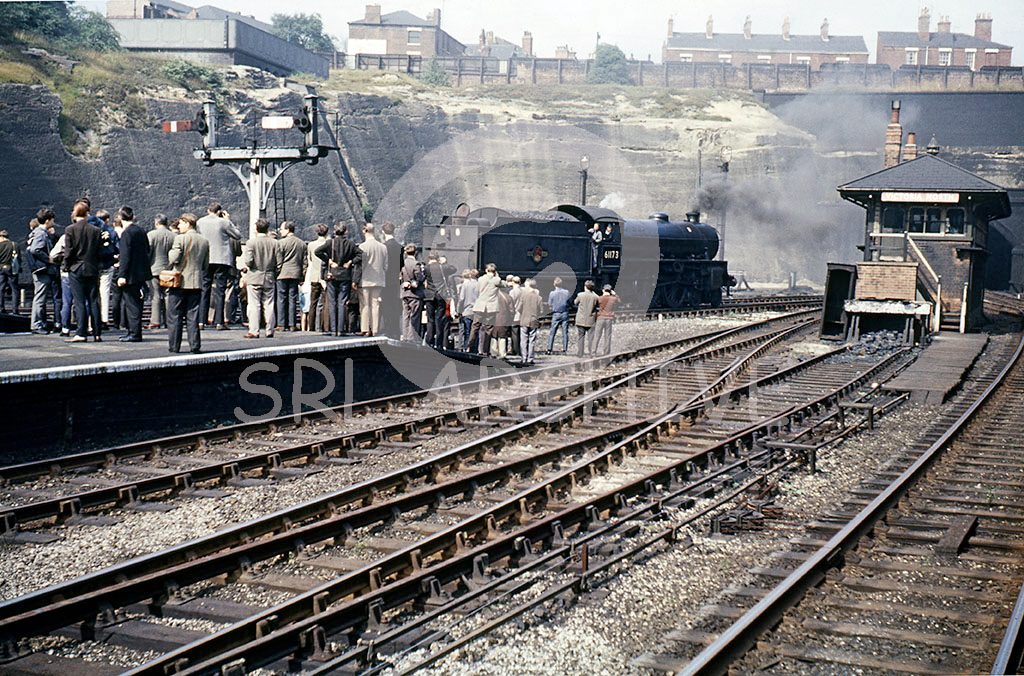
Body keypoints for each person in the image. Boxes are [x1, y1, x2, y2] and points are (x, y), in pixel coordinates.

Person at [166, 213, 210, 353]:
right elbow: (205, 265)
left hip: (180, 282)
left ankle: (174, 346)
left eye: (180, 223)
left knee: (175, 315)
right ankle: (194, 345)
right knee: (193, 316)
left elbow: (174, 258)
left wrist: (171, 253)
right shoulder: (204, 241)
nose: (178, 226)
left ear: (186, 223)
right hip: (196, 282)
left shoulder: (180, 239)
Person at [196, 202, 241, 330]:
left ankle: (201, 321)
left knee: (205, 289)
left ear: (207, 210)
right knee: (221, 291)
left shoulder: (200, 222)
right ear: (219, 212)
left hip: (206, 258)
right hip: (222, 259)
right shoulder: (224, 223)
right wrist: (228, 220)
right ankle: (219, 322)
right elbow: (237, 235)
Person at [63, 202, 103, 342]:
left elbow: (69, 252)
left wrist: (65, 266)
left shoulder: (70, 229)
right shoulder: (96, 230)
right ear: (87, 213)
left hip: (76, 268)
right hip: (92, 268)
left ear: (75, 213)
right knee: (94, 301)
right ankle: (97, 332)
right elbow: (99, 251)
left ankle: (81, 332)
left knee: (79, 301)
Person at [315, 223, 360, 336]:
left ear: (335, 232)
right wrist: (350, 262)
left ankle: (333, 328)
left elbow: (317, 251)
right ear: (346, 232)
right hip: (345, 275)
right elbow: (361, 255)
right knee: (342, 302)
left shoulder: (330, 242)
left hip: (332, 274)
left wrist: (328, 260)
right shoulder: (350, 244)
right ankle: (341, 329)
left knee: (332, 302)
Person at [242, 218, 282, 339]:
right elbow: (279, 263)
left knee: (254, 304)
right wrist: (274, 274)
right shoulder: (275, 243)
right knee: (269, 304)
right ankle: (270, 330)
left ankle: (254, 330)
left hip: (254, 276)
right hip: (269, 276)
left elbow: (248, 261)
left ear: (256, 229)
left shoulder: (251, 243)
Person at [115, 206, 151, 342]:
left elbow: (125, 256)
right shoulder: (141, 231)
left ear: (120, 218)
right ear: (133, 217)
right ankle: (135, 331)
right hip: (141, 273)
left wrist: (122, 275)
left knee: (131, 305)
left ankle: (134, 333)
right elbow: (147, 249)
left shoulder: (126, 233)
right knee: (137, 303)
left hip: (130, 274)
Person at [28, 208, 59, 333]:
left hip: (38, 270)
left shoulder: (36, 232)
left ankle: (40, 323)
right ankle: (36, 325)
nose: (53, 223)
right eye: (52, 220)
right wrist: (48, 259)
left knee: (40, 296)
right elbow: (35, 249)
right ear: (47, 221)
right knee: (40, 298)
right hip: (42, 270)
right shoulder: (41, 233)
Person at [355, 223, 388, 336]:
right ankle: (375, 329)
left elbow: (359, 266)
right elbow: (385, 266)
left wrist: (355, 281)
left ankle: (365, 329)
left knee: (365, 305)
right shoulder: (383, 247)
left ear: (365, 231)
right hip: (378, 279)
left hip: (364, 280)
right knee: (375, 305)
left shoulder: (362, 247)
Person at [275, 221, 307, 331]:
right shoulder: (301, 243)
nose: (280, 231)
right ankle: (292, 323)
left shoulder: (281, 243)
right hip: (296, 273)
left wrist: (277, 271)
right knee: (293, 298)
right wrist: (302, 275)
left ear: (288, 230)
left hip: (282, 273)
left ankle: (281, 323)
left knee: (281, 298)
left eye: (282, 229)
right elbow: (304, 261)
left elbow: (278, 260)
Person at [147, 214, 175, 328]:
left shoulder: (151, 235)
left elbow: (148, 252)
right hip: (169, 269)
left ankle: (156, 321)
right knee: (168, 295)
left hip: (154, 269)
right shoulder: (173, 236)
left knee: (156, 295)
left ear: (156, 223)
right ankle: (170, 320)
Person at [94, 208, 119, 328]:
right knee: (105, 292)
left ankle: (94, 319)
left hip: (94, 265)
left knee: (93, 293)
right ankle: (104, 320)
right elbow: (117, 248)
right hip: (108, 264)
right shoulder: (111, 232)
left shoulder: (93, 230)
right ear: (107, 220)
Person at [470, 263, 500, 355]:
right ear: (495, 272)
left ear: (486, 270)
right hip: (491, 307)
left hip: (480, 305)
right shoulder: (497, 280)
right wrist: (496, 276)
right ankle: (485, 350)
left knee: (475, 327)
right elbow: (504, 285)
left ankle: (470, 346)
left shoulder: (481, 279)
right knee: (488, 329)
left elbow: (478, 290)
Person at [379, 222, 403, 338]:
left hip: (385, 278)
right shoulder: (400, 247)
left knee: (386, 304)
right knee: (395, 304)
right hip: (395, 279)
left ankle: (387, 329)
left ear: (383, 232)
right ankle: (396, 329)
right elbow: (401, 265)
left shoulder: (383, 247)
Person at [305, 223, 329, 333]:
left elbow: (309, 259)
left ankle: (311, 326)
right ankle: (324, 326)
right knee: (324, 303)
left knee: (313, 302)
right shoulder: (328, 244)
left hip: (314, 275)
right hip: (325, 276)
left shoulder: (311, 245)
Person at [400, 243, 425, 341]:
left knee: (405, 315)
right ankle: (412, 337)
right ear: (416, 252)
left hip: (405, 292)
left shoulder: (402, 264)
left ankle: (405, 335)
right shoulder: (416, 264)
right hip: (415, 294)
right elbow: (419, 277)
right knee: (414, 316)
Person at [518, 278, 543, 365]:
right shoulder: (539, 298)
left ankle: (524, 358)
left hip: (524, 320)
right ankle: (530, 358)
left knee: (523, 340)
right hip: (534, 320)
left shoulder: (523, 296)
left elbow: (518, 308)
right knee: (532, 340)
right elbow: (541, 311)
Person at [573, 280, 600, 357]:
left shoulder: (580, 295)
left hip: (581, 319)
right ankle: (591, 352)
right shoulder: (595, 297)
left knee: (581, 337)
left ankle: (580, 353)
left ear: (585, 287)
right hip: (591, 319)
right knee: (591, 337)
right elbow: (599, 302)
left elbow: (575, 302)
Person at [593, 284, 621, 356]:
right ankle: (606, 352)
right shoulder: (613, 298)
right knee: (607, 336)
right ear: (611, 291)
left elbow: (595, 304)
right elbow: (619, 301)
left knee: (597, 335)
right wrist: (615, 294)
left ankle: (593, 351)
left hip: (600, 318)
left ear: (603, 290)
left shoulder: (600, 298)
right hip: (609, 318)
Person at [546, 277, 571, 354]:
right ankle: (565, 349)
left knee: (552, 332)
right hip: (565, 312)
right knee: (565, 332)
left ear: (554, 284)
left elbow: (549, 304)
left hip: (556, 313)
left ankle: (549, 349)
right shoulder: (567, 292)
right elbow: (570, 302)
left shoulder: (552, 293)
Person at [456, 269, 478, 352]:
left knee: (467, 330)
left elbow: (461, 299)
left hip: (466, 310)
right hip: (476, 310)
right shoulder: (479, 285)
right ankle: (474, 348)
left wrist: (459, 310)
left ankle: (466, 347)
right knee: (475, 331)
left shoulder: (465, 285)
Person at [0, 229, 19, 314]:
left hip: (1, 268)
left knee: (1, 289)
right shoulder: (14, 245)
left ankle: (1, 308)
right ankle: (15, 310)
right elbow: (19, 258)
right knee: (14, 289)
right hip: (11, 268)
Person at [508, 275, 523, 356]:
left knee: (514, 333)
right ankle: (520, 349)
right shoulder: (523, 291)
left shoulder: (512, 292)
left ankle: (515, 349)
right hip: (521, 315)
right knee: (520, 333)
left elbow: (510, 303)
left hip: (515, 315)